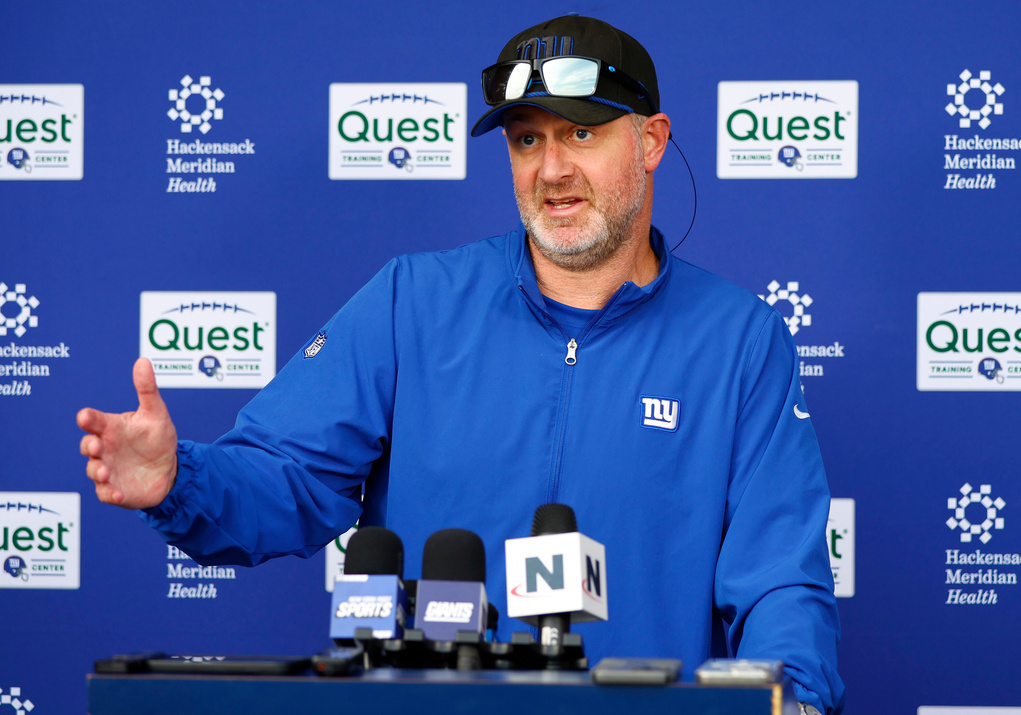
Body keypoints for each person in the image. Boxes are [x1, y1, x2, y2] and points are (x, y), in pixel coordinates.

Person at [78, 15, 844, 714]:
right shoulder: (411, 301)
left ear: (650, 141)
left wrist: (797, 701)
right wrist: (178, 479)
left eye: (581, 134)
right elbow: (284, 478)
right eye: (527, 140)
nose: (551, 170)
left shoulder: (741, 341)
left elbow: (780, 575)